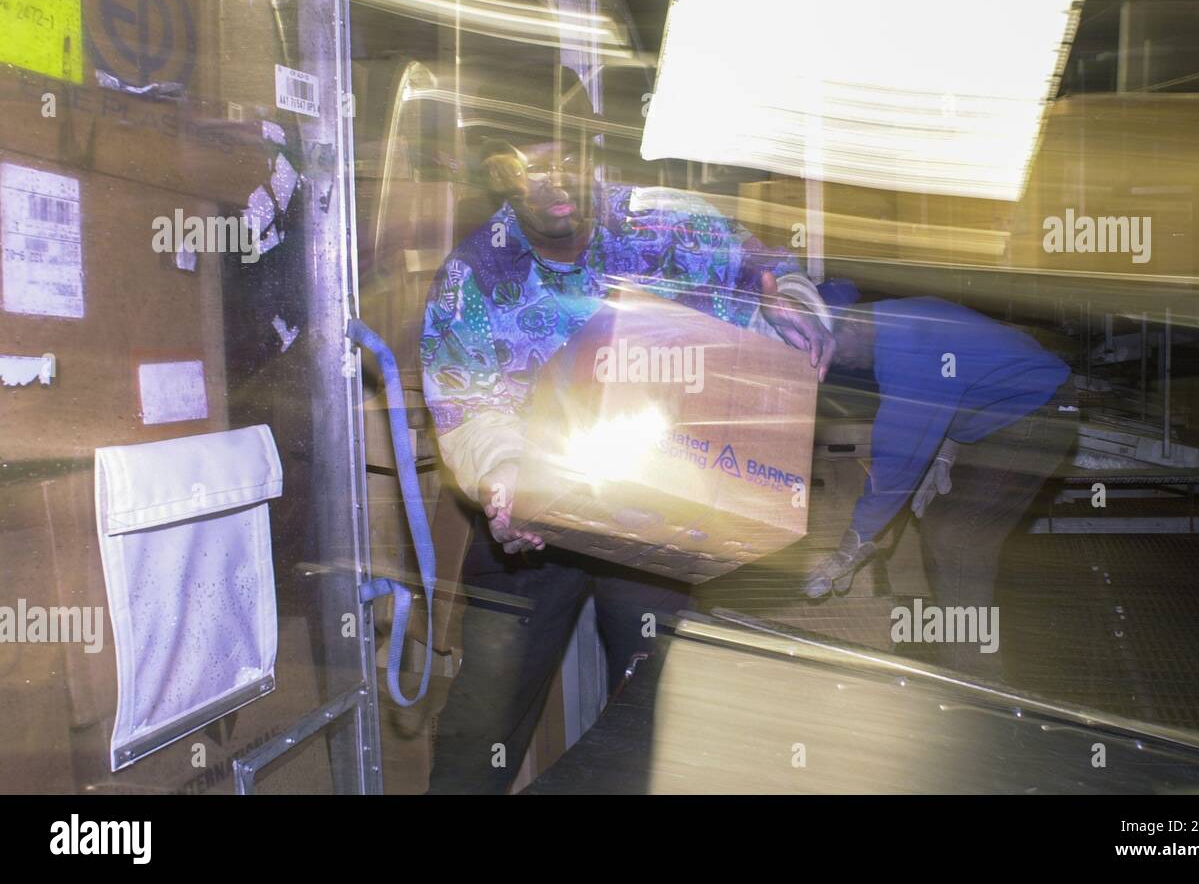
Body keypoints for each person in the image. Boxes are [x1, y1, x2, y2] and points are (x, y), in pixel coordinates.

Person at [422, 76, 834, 793]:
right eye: (531, 166)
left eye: (569, 159)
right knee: (481, 720)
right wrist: (504, 478)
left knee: (657, 705)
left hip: (655, 507)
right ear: (499, 176)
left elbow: (764, 271)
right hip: (532, 511)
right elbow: (466, 403)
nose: (556, 184)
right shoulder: (474, 275)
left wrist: (794, 306)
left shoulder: (665, 226)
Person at [804, 292, 1077, 681]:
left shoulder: (908, 347)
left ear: (851, 326)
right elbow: (963, 376)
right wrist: (948, 447)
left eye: (835, 352)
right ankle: (960, 654)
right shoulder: (893, 322)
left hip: (1037, 412)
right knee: (942, 529)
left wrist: (856, 540)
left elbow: (898, 456)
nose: (837, 364)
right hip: (1003, 411)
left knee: (959, 539)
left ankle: (975, 680)